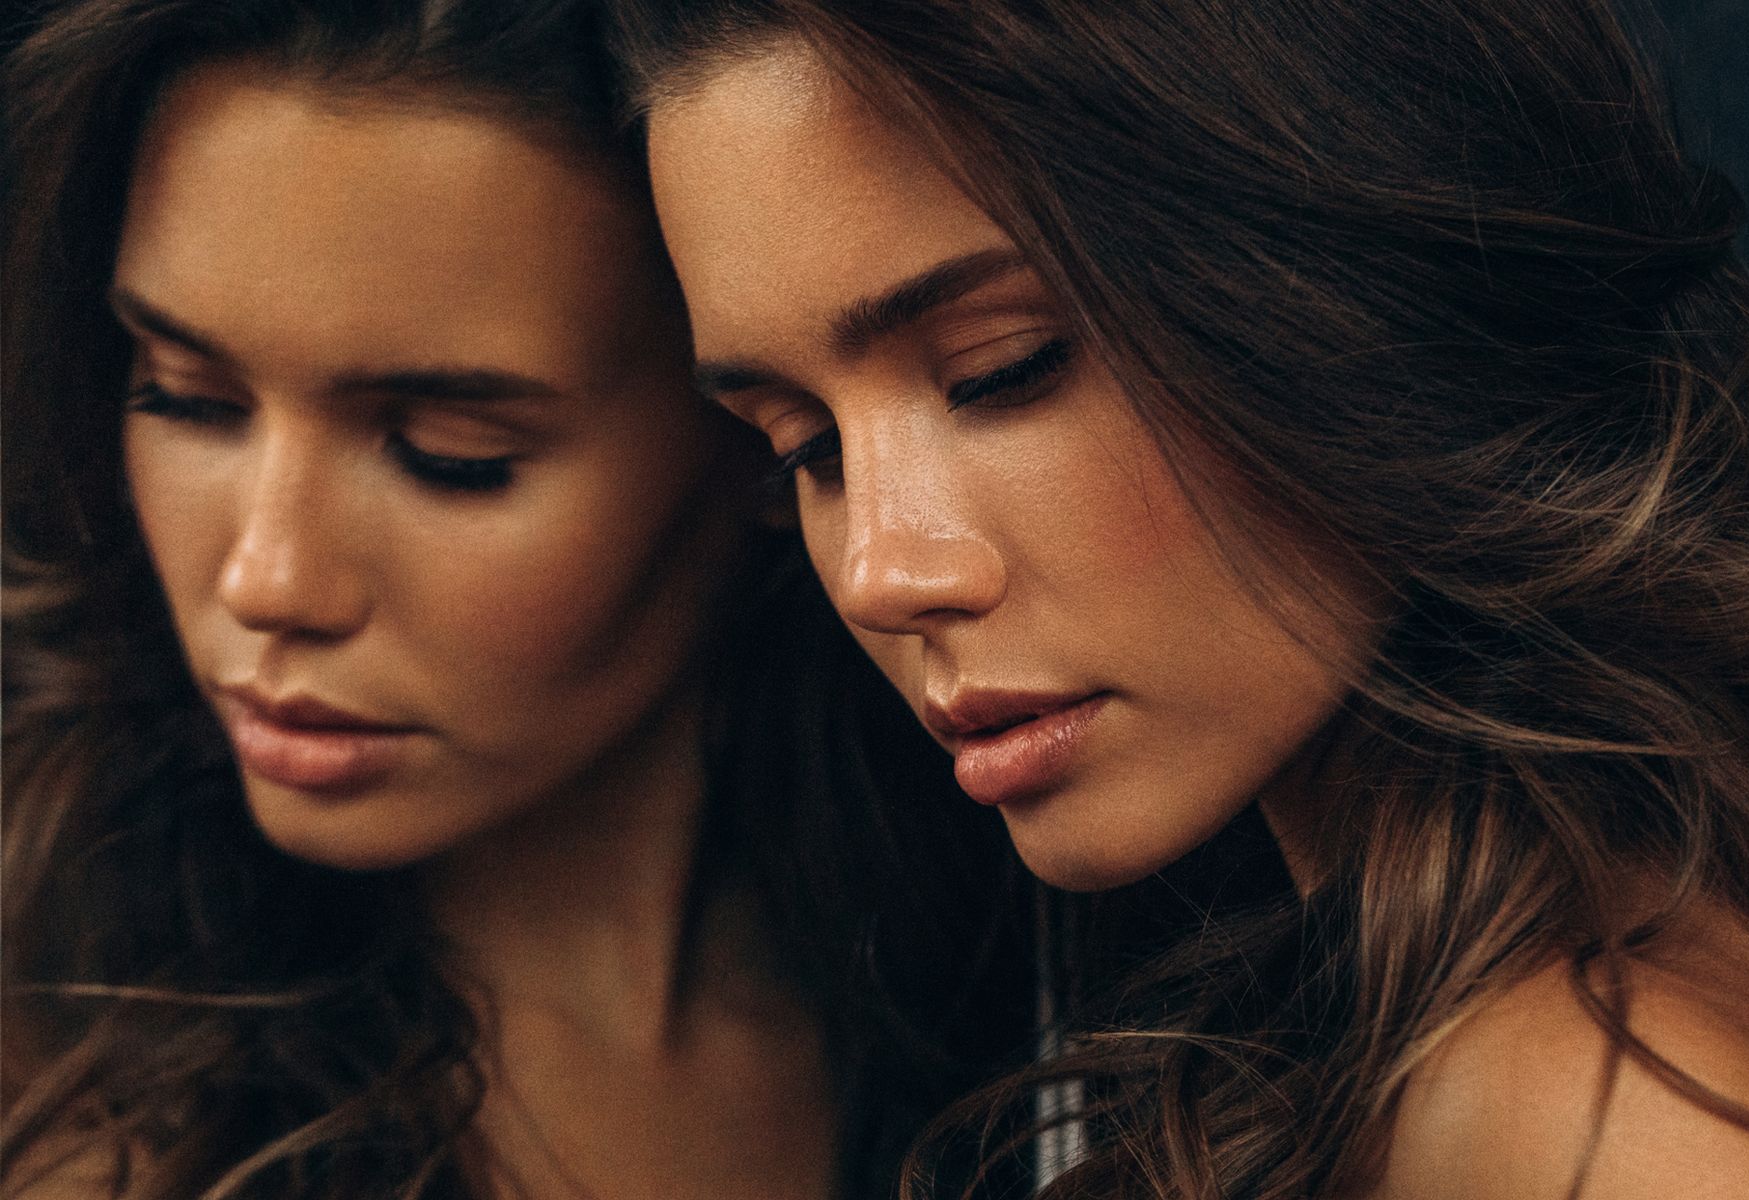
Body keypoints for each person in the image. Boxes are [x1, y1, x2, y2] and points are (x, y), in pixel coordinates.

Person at [616, 1, 1749, 1197]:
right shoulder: (1436, 1037)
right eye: (801, 449)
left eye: (1002, 370)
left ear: (1350, 299)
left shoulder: (1635, 1128)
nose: (882, 568)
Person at [0, 2, 1026, 1197]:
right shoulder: (58, 1072)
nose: (267, 581)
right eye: (186, 397)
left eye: (450, 453)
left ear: (762, 432)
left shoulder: (1053, 993)